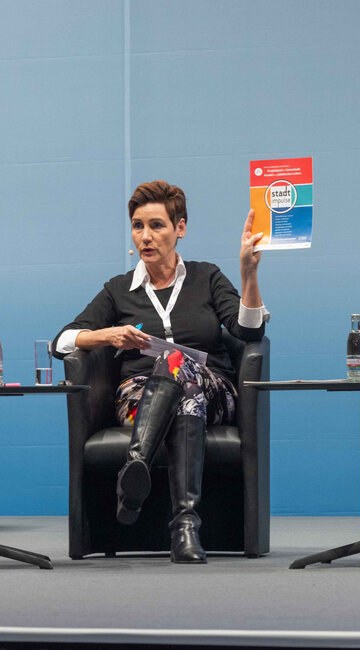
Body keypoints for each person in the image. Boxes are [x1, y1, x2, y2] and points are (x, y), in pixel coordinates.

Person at [53, 180, 268, 563]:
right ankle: (185, 528)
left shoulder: (207, 277)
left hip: (213, 389)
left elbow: (249, 331)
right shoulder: (118, 290)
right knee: (185, 398)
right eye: (138, 226)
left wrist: (249, 274)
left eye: (157, 225)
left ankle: (136, 464)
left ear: (180, 228)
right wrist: (107, 334)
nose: (145, 237)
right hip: (140, 396)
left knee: (181, 371)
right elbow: (62, 341)